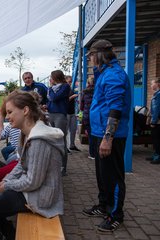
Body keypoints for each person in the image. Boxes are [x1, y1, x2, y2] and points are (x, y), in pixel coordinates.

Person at [0, 90, 64, 240]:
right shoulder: (27, 133)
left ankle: (9, 234)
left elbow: (33, 182)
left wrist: (8, 186)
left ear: (25, 110)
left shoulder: (38, 140)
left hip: (40, 197)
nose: (7, 117)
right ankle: (11, 235)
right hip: (32, 190)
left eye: (10, 112)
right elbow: (21, 164)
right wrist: (7, 180)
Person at [82, 39, 131, 232]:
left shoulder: (113, 75)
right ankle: (104, 205)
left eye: (92, 55)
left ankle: (116, 214)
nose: (90, 59)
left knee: (114, 176)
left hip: (111, 135)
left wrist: (107, 138)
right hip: (98, 132)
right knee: (102, 175)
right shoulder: (104, 73)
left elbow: (115, 108)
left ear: (100, 54)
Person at [47, 70, 70, 176]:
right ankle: (54, 165)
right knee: (52, 141)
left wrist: (51, 87)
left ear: (56, 77)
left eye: (51, 77)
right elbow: (50, 101)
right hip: (51, 114)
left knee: (61, 140)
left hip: (60, 115)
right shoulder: (52, 89)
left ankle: (63, 168)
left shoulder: (65, 86)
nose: (50, 79)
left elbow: (54, 98)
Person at [80, 78, 95, 159]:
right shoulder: (98, 91)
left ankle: (92, 154)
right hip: (96, 116)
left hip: (87, 116)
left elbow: (81, 107)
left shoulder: (85, 92)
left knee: (90, 135)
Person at [66, 75, 81, 152]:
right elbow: (64, 101)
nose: (70, 83)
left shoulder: (70, 88)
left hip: (72, 112)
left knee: (73, 129)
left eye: (71, 82)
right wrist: (72, 97)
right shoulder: (64, 89)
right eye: (69, 82)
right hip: (66, 113)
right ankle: (65, 147)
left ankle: (72, 145)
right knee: (66, 131)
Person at [147, 78, 160, 164]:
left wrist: (153, 121)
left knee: (157, 139)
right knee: (155, 139)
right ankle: (155, 154)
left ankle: (158, 156)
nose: (151, 85)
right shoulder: (156, 94)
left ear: (158, 84)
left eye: (152, 84)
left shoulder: (158, 95)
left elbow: (157, 109)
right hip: (156, 120)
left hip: (158, 122)